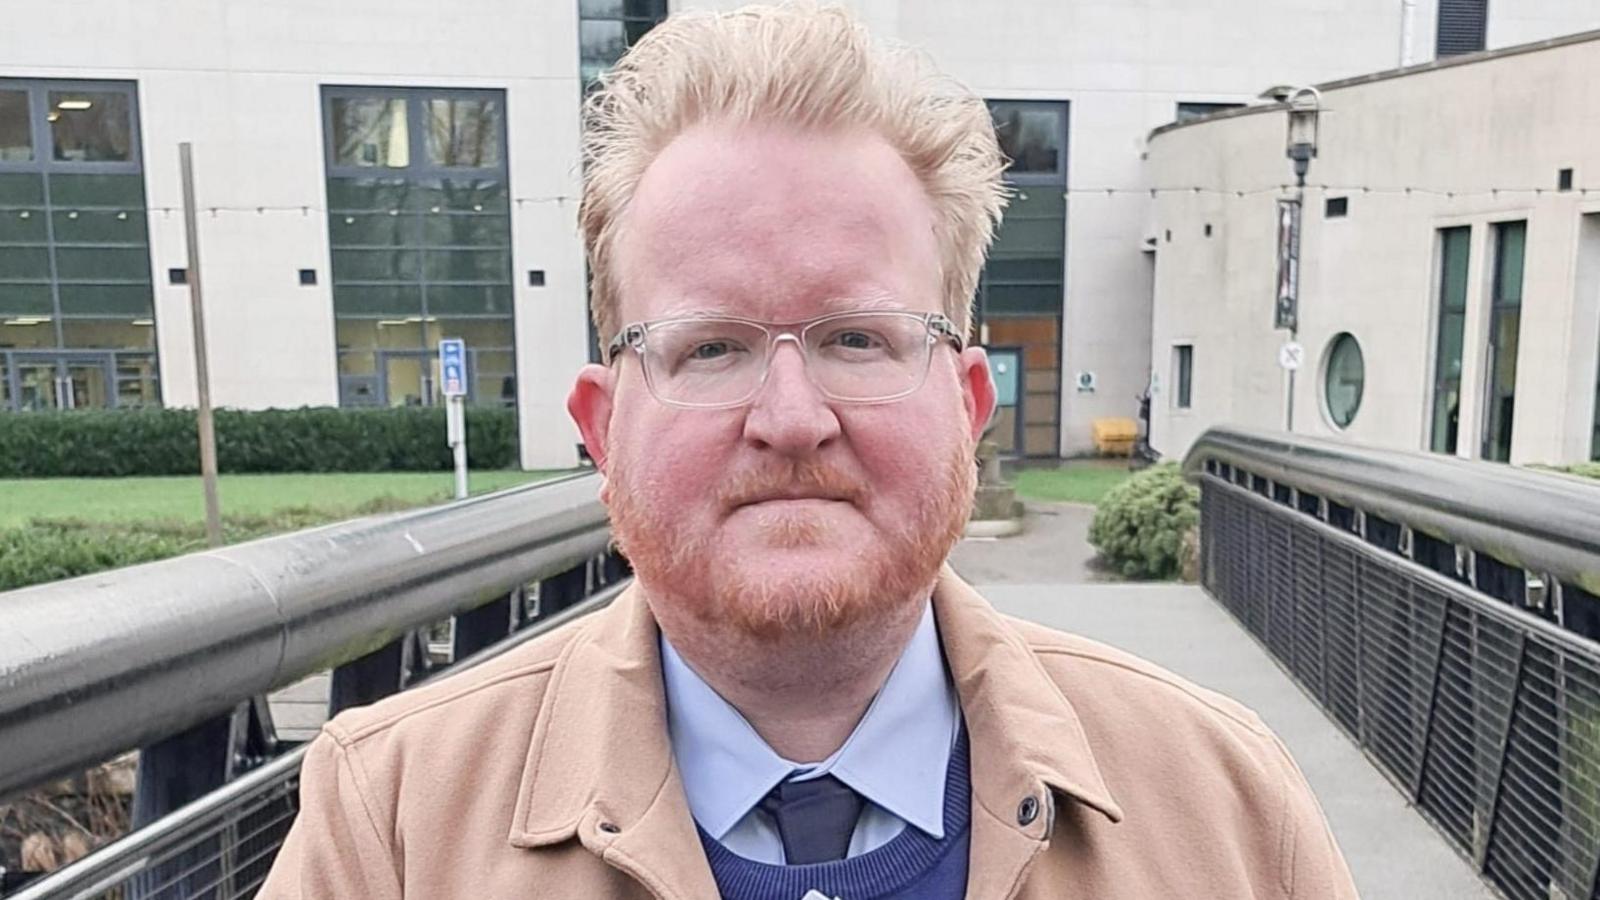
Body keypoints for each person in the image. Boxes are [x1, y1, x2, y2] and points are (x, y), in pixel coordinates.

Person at [258, 4, 1358, 898]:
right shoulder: (388, 831)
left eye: (855, 338)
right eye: (711, 349)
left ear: (968, 406)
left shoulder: (1225, 809)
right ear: (601, 430)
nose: (791, 417)